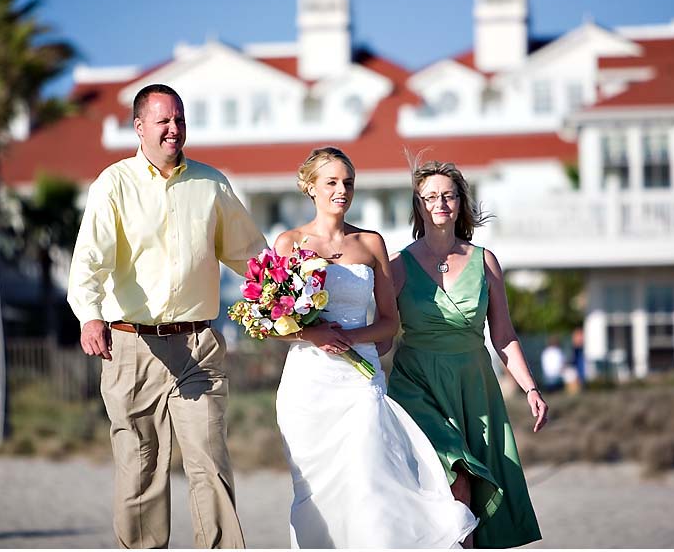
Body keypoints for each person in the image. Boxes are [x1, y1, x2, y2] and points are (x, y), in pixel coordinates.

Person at [67, 83, 266, 549]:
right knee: (141, 469)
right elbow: (89, 260)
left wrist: (292, 291)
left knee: (210, 463)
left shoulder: (211, 183)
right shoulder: (113, 184)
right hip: (132, 347)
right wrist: (90, 316)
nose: (173, 129)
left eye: (179, 119)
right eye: (163, 121)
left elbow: (250, 255)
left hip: (198, 347)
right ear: (139, 128)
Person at [272, 147, 477, 548]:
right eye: (331, 182)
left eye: (347, 182)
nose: (341, 190)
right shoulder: (289, 243)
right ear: (310, 187)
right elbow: (272, 323)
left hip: (358, 380)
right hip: (307, 386)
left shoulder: (370, 243)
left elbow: (388, 322)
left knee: (370, 477)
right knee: (316, 493)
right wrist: (314, 335)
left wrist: (349, 337)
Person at [385, 158, 546, 548]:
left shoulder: (485, 261)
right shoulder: (398, 266)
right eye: (431, 196)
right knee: (454, 470)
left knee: (471, 482)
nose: (441, 203)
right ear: (418, 205)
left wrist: (529, 388)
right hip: (417, 383)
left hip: (473, 384)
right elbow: (382, 332)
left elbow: (504, 335)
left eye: (449, 195)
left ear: (461, 203)